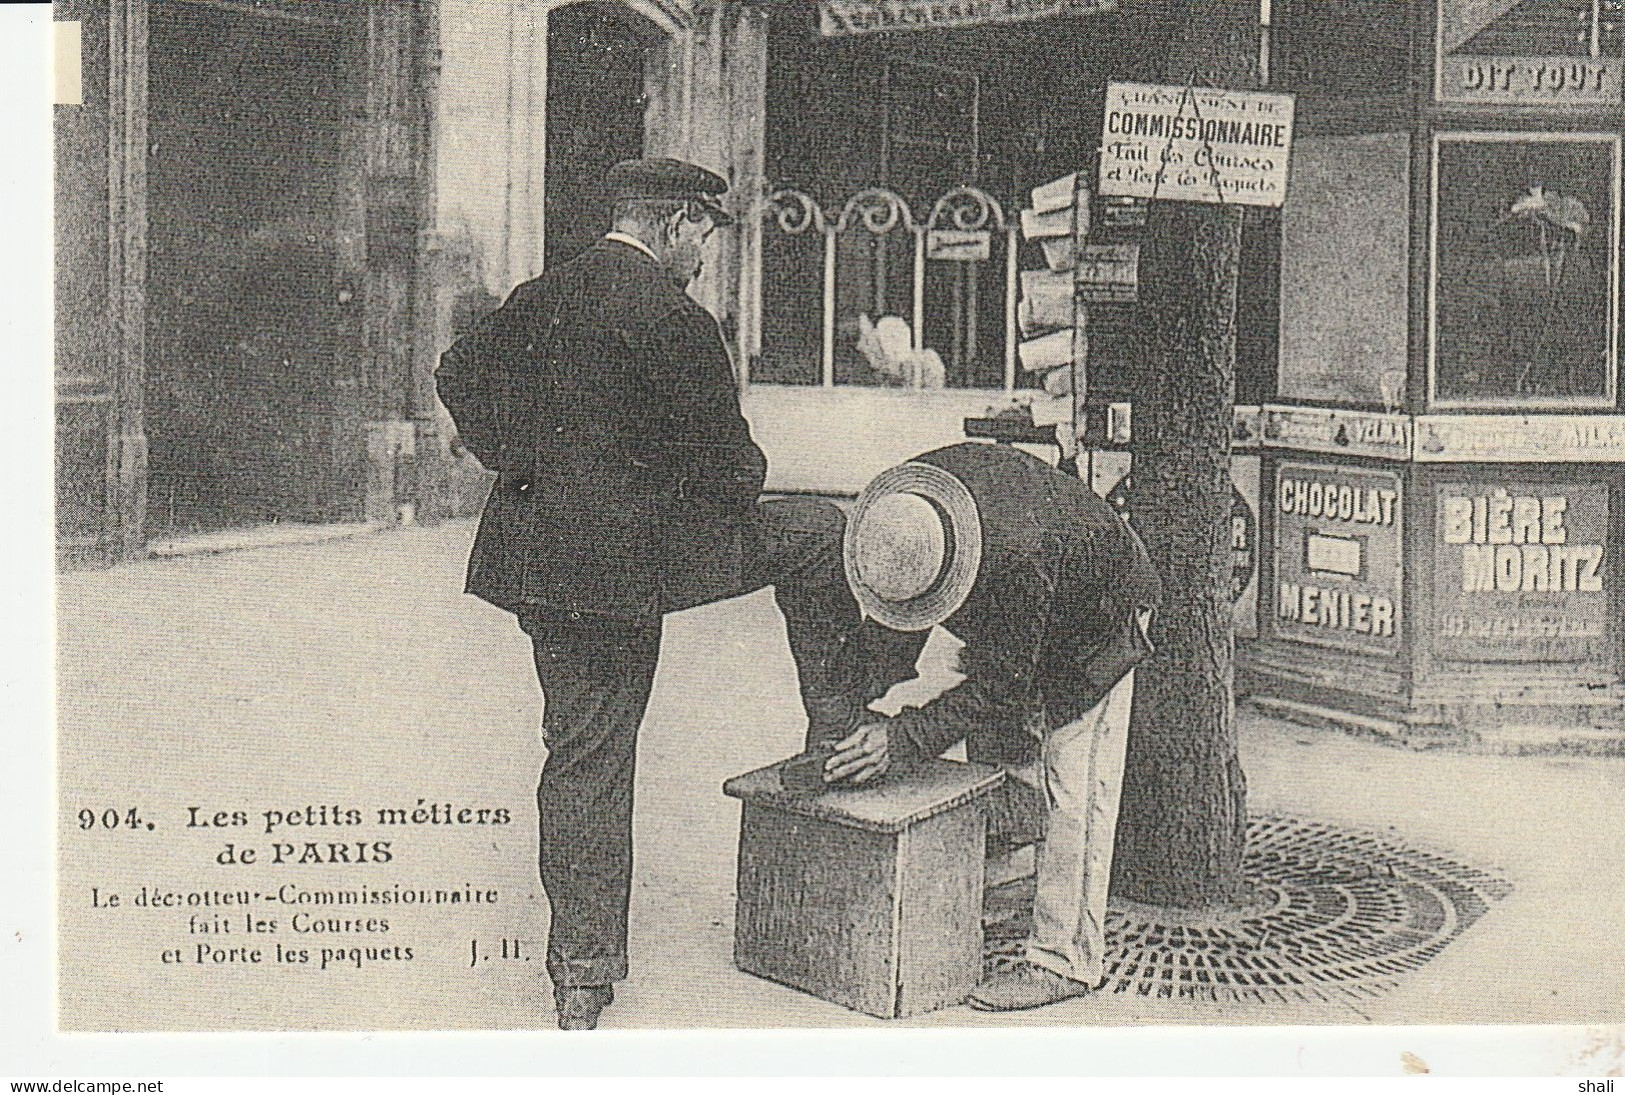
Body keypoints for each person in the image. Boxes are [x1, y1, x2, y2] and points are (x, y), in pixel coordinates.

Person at [435, 158, 887, 1029]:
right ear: (677, 224)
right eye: (705, 235)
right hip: (623, 566)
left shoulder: (540, 294)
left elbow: (457, 371)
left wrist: (517, 459)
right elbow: (735, 472)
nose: (705, 255)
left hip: (536, 558)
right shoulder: (675, 319)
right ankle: (835, 722)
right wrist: (687, 495)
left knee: (582, 746)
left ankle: (582, 970)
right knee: (817, 532)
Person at [829, 441, 1162, 1011]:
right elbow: (901, 615)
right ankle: (1010, 896)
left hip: (1097, 626)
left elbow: (1002, 684)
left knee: (1071, 790)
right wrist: (857, 707)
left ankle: (1066, 959)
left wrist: (902, 738)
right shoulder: (912, 509)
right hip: (1026, 606)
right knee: (1000, 756)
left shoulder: (1017, 555)